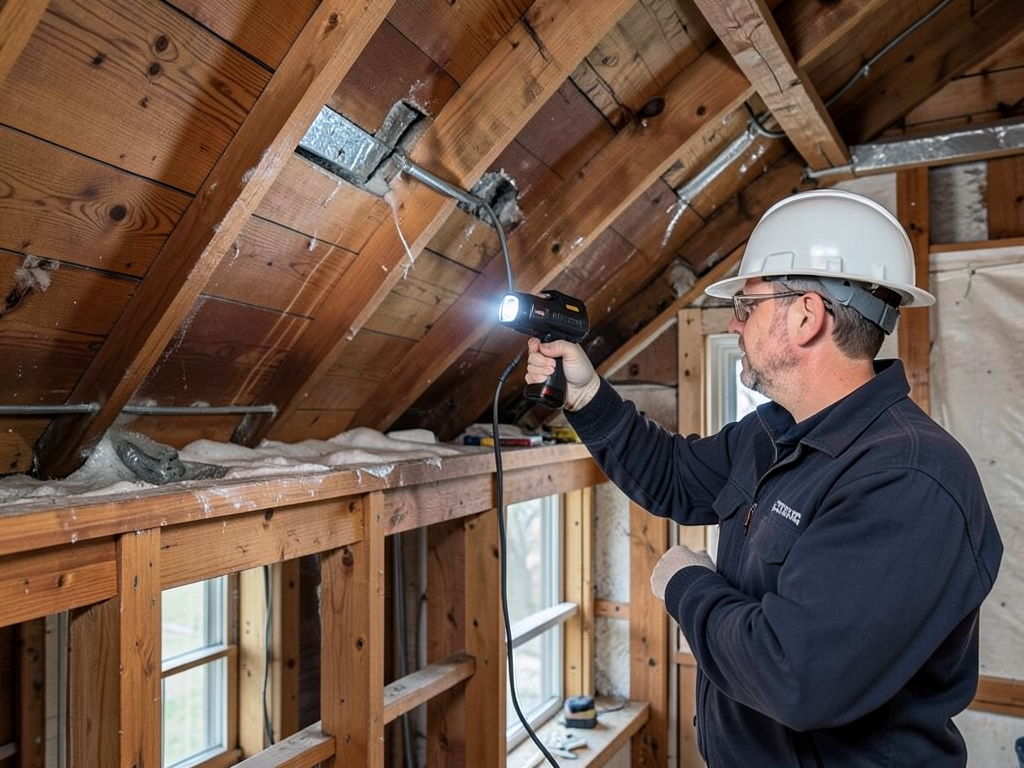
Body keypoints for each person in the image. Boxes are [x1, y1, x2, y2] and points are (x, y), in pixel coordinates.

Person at [525, 189, 1003, 767]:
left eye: (749, 306)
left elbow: (794, 675)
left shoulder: (908, 479)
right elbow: (674, 476)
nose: (734, 321)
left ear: (806, 315)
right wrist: (585, 396)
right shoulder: (774, 433)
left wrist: (685, 585)